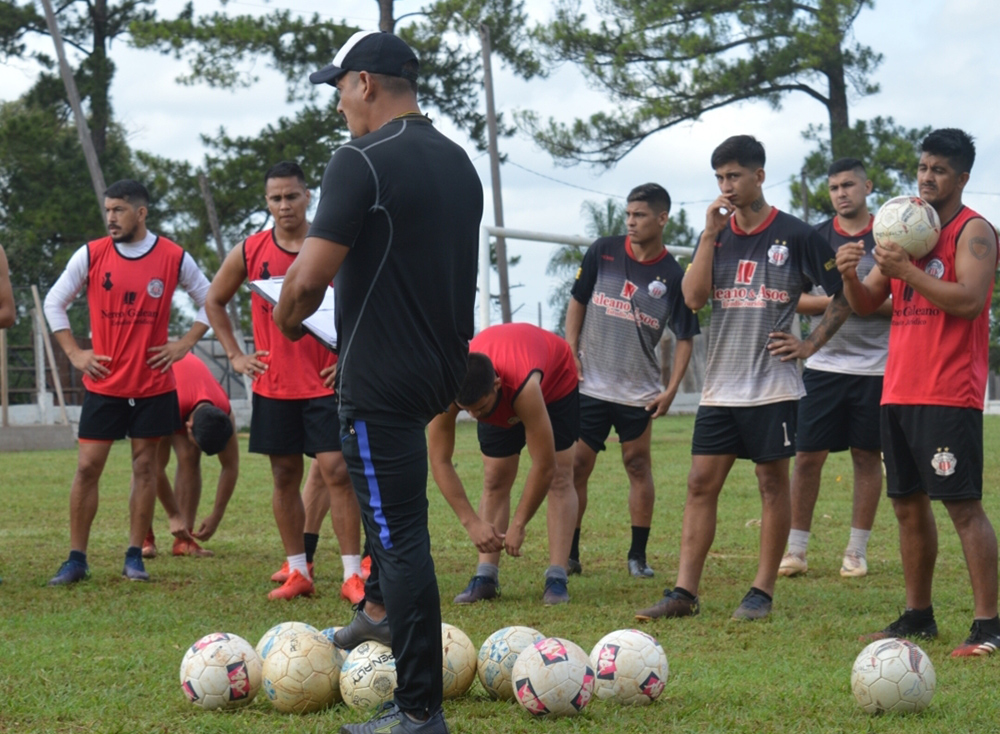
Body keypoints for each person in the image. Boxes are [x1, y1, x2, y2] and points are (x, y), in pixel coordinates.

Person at [274, 30, 483, 734]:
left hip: (382, 382)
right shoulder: (459, 162)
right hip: (441, 369)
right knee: (392, 521)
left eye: (340, 90)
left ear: (365, 83)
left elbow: (307, 280)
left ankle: (420, 711)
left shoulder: (360, 159)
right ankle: (375, 621)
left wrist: (286, 315)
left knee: (398, 538)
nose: (339, 106)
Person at [634, 135, 851, 622]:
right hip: (720, 388)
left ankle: (761, 591)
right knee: (699, 483)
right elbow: (691, 299)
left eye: (734, 176)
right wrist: (709, 236)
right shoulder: (716, 235)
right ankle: (684, 594)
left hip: (773, 387)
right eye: (719, 178)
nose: (726, 186)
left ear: (759, 176)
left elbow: (845, 295)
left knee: (772, 483)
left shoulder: (796, 234)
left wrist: (809, 346)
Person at [839, 129, 1000, 657]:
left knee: (962, 507)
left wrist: (907, 270)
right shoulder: (904, 229)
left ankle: (989, 626)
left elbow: (971, 301)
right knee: (907, 506)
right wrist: (849, 277)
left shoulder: (974, 230)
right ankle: (917, 617)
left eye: (939, 170)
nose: (927, 177)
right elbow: (866, 304)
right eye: (923, 167)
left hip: (948, 392)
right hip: (899, 389)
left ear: (962, 178)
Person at [205, 160, 363, 602]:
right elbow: (214, 301)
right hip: (274, 386)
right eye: (275, 198)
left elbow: (366, 301)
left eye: (291, 196)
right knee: (284, 475)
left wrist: (348, 355)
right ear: (267, 202)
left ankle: (353, 575)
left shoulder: (329, 245)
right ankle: (298, 571)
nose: (284, 205)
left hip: (326, 382)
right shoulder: (250, 250)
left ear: (308, 195)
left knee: (337, 472)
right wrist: (236, 355)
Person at [43, 179, 211, 585]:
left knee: (145, 468)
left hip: (153, 386)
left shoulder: (172, 256)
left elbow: (211, 298)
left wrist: (185, 343)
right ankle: (76, 559)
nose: (111, 218)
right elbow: (54, 302)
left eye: (118, 210)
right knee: (87, 468)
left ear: (141, 213)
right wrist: (75, 354)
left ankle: (134, 557)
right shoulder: (91, 254)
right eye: (107, 211)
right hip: (104, 384)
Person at [564, 183, 699, 579]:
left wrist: (672, 389)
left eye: (639, 215)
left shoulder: (673, 275)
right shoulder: (602, 251)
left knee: (637, 465)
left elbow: (687, 337)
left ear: (662, 219)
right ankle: (569, 554)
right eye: (628, 214)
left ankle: (637, 556)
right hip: (590, 384)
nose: (630, 222)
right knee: (577, 467)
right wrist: (570, 347)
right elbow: (578, 299)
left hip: (637, 391)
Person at [778, 158, 890, 579]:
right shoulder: (816, 237)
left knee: (866, 457)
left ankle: (856, 552)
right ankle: (796, 550)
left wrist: (861, 298)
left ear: (868, 186)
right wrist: (845, 299)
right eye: (834, 188)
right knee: (807, 457)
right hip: (824, 364)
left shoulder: (890, 234)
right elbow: (797, 297)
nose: (842, 193)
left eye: (849, 185)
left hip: (877, 367)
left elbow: (905, 304)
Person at [429, 323, 580, 607]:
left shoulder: (524, 388)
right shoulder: (449, 387)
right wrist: (471, 523)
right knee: (495, 477)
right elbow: (439, 459)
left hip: (555, 381)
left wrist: (520, 523)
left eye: (481, 409)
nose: (474, 416)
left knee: (560, 475)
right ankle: (486, 576)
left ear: (496, 385)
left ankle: (557, 576)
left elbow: (544, 466)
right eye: (466, 411)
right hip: (502, 379)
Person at [141, 352, 238, 559]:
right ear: (189, 427)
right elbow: (155, 469)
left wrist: (216, 515)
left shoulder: (224, 413)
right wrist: (173, 515)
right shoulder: (167, 404)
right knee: (146, 461)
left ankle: (183, 540)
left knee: (189, 455)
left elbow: (230, 466)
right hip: (156, 380)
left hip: (185, 389)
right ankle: (144, 535)